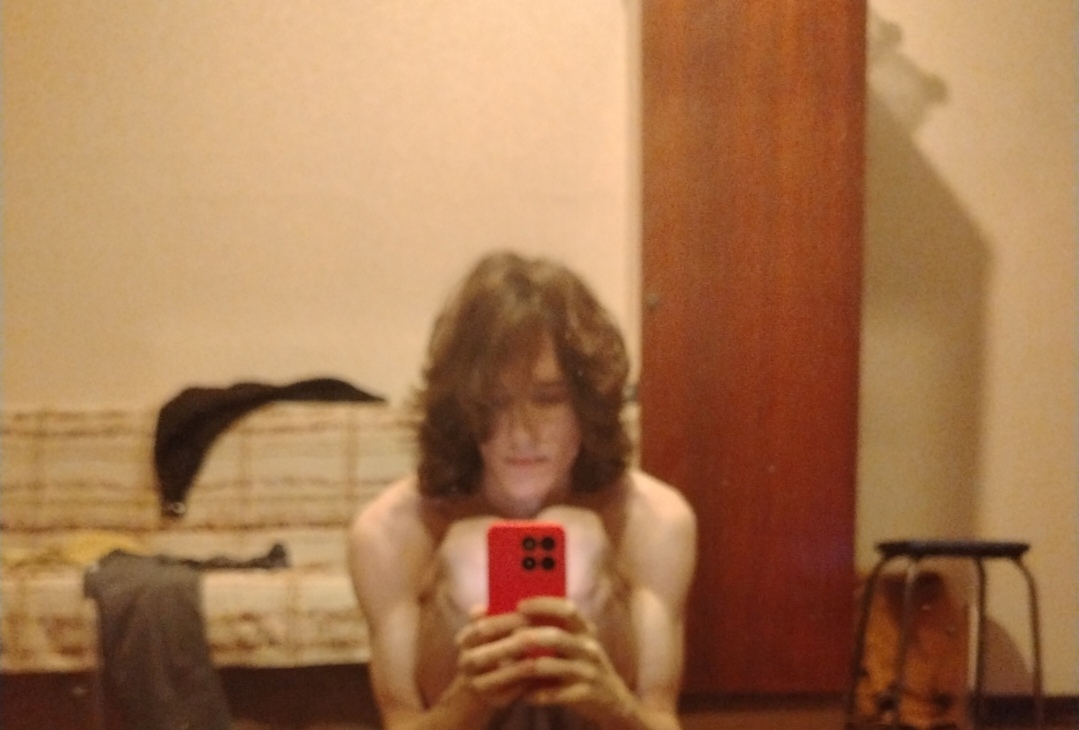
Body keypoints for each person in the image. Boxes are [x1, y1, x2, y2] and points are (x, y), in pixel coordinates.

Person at [348, 251, 697, 730]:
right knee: (468, 552)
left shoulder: (653, 520)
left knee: (579, 541)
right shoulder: (391, 531)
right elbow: (401, 718)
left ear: (587, 403)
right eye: (494, 401)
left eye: (548, 399)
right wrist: (469, 702)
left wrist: (609, 702)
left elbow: (659, 716)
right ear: (463, 406)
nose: (522, 434)